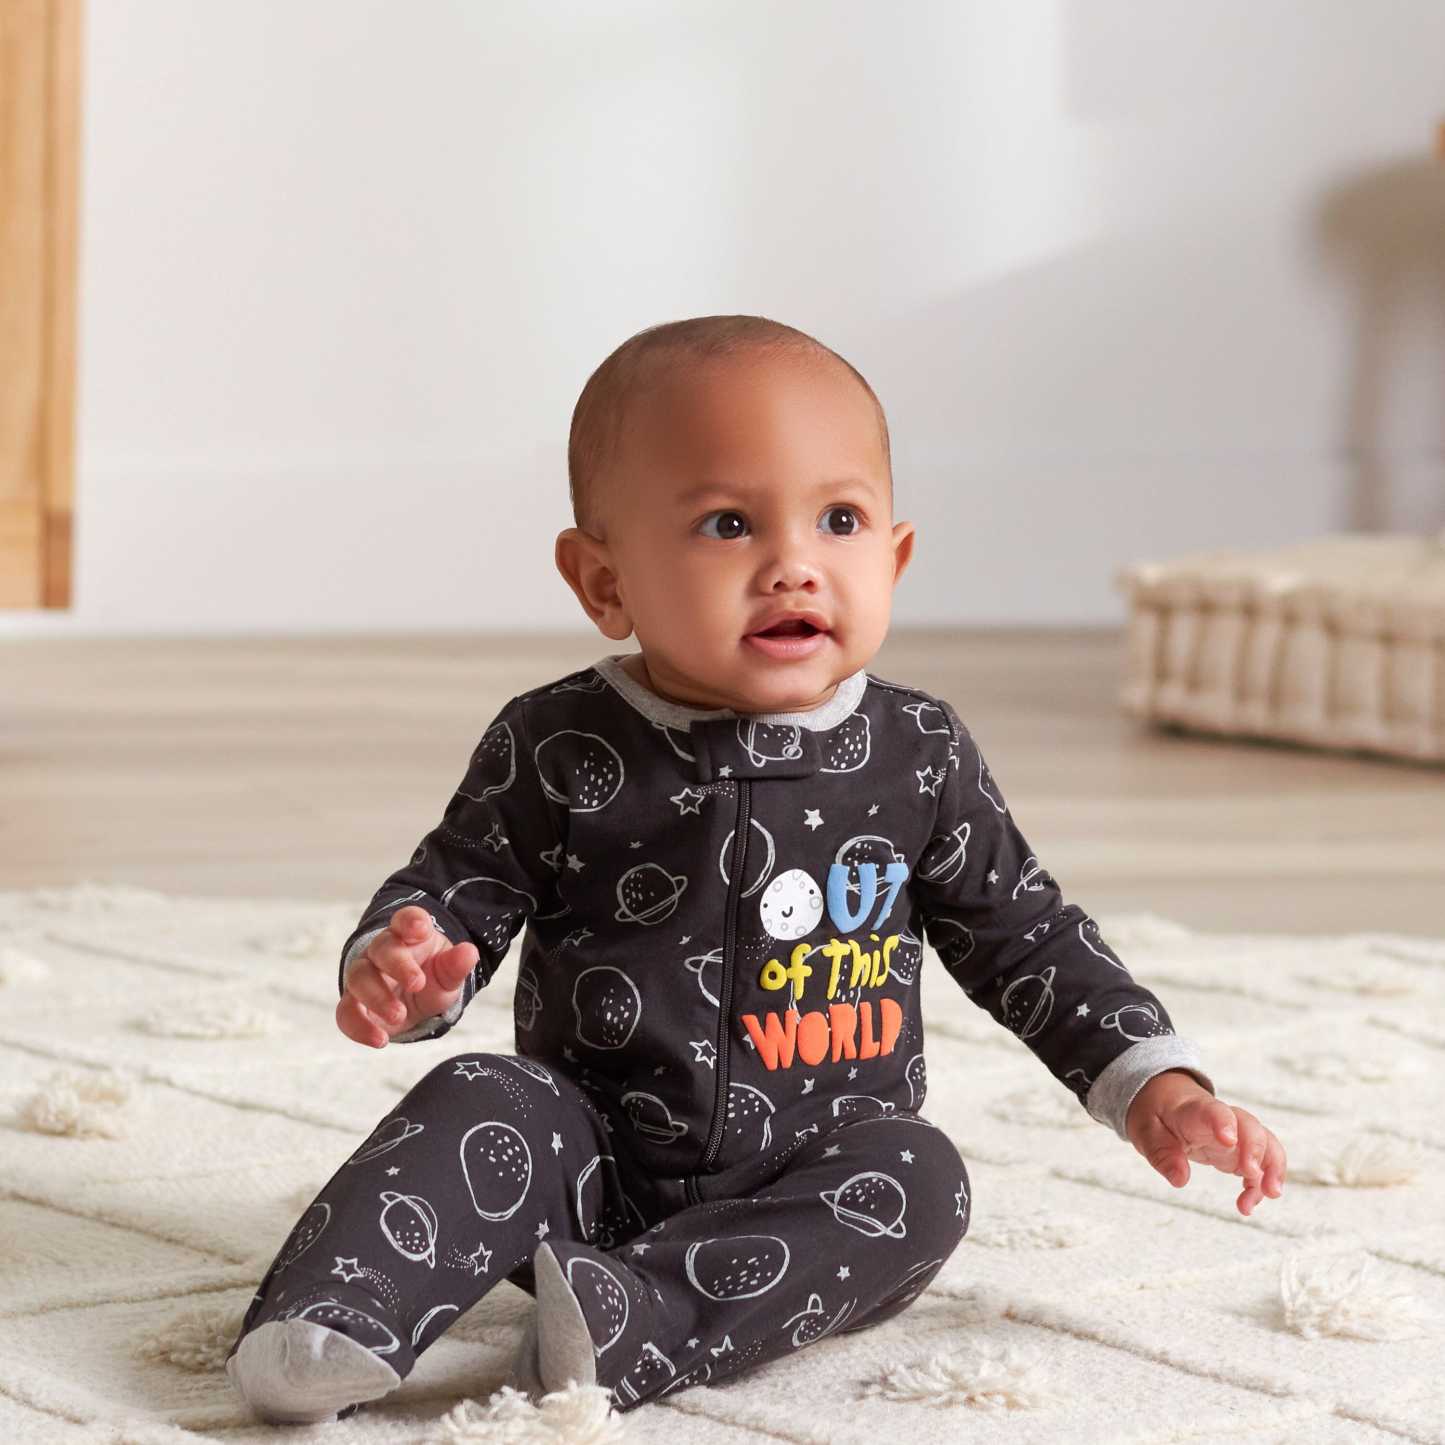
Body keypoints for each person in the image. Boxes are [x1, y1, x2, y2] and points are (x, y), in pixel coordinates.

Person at [224, 315, 1287, 1424]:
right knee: (481, 1093)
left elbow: (1025, 935)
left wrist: (1152, 1080)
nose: (792, 563)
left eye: (839, 520)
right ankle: (332, 1314)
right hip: (586, 1160)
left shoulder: (917, 753)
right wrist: (408, 962)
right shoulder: (558, 740)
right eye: (727, 523)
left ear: (892, 558)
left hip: (809, 1174)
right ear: (604, 581)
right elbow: (459, 881)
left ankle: (629, 1321)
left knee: (922, 1180)